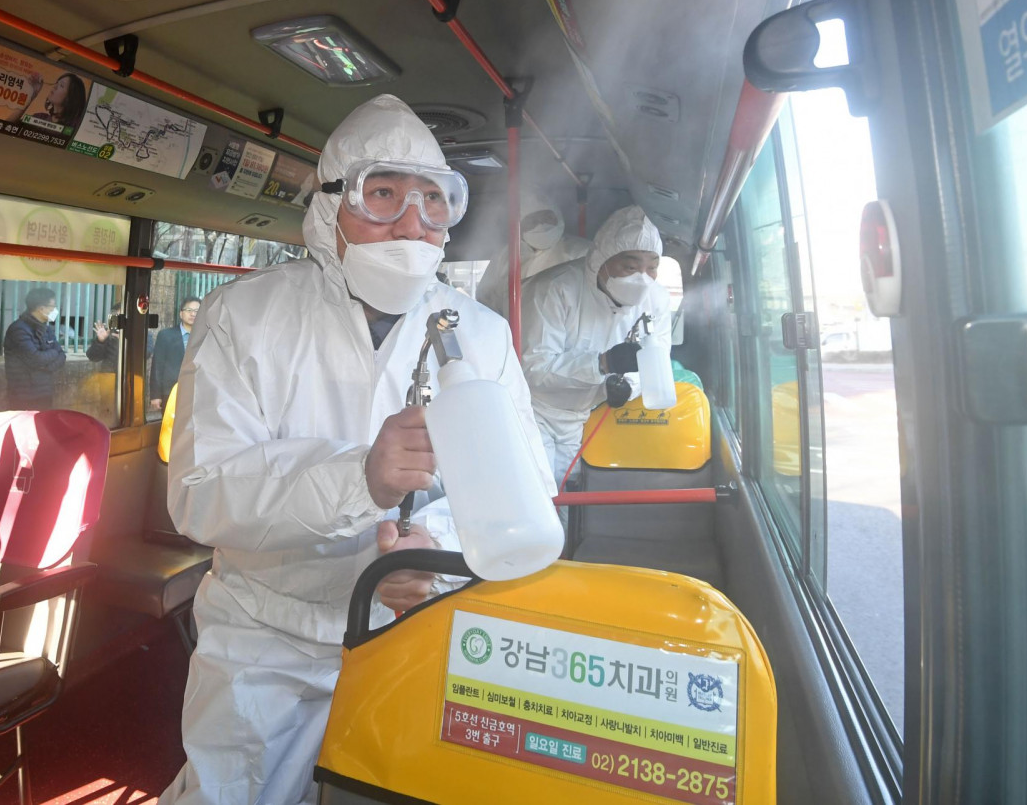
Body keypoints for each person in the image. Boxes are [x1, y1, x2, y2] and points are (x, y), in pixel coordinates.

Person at [159, 93, 553, 805]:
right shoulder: (242, 318)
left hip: (414, 630)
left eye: (433, 202)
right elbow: (200, 492)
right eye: (382, 196)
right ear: (329, 208)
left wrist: (428, 550)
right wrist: (356, 481)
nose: (411, 223)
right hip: (262, 643)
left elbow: (523, 485)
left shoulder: (481, 332)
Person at [521, 204, 671, 487]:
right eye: (630, 266)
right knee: (538, 495)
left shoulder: (657, 300)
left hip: (587, 415)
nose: (642, 277)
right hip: (534, 412)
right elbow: (533, 367)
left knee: (570, 499)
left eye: (652, 267)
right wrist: (602, 364)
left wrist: (628, 385)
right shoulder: (554, 290)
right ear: (601, 259)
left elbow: (657, 362)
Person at [475, 185, 591, 320]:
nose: (541, 224)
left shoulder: (581, 251)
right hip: (511, 334)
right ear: (521, 225)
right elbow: (486, 300)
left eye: (547, 217)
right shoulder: (505, 256)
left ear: (558, 216)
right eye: (533, 220)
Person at [3, 287, 66, 410]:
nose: (55, 310)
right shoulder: (18, 329)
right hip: (24, 396)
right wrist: (53, 353)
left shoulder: (46, 329)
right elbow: (35, 359)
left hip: (45, 392)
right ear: (41, 308)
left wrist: (46, 368)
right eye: (52, 307)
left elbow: (62, 356)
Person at [149, 297, 199, 411]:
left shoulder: (206, 337)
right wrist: (155, 395)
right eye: (189, 310)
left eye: (197, 311)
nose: (193, 314)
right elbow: (157, 366)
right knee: (171, 427)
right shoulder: (166, 335)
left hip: (198, 393)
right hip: (171, 393)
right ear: (181, 314)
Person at [11, 71, 88, 131]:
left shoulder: (77, 125)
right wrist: (31, 94)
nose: (55, 87)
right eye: (56, 83)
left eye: (61, 85)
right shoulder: (39, 118)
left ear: (71, 97)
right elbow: (7, 127)